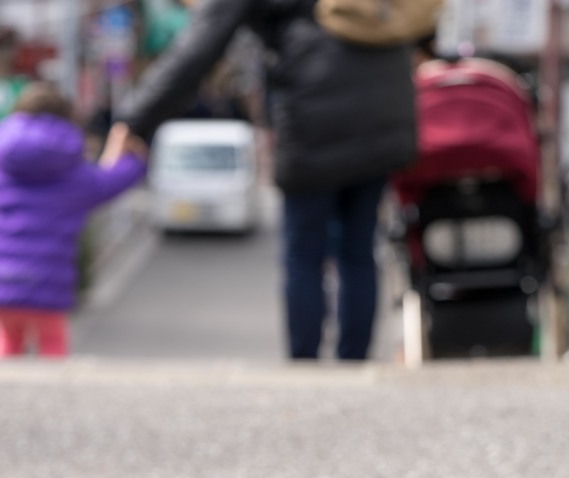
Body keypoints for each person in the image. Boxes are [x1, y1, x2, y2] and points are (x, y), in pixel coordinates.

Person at [117, 0, 417, 361]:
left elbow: (197, 50)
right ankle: (354, 362)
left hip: (313, 116)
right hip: (385, 109)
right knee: (359, 248)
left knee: (304, 252)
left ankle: (305, 363)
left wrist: (134, 122)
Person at [0, 81, 148, 359]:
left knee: (6, 337)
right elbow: (108, 182)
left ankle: (0, 397)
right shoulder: (71, 174)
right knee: (52, 341)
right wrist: (134, 160)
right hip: (48, 281)